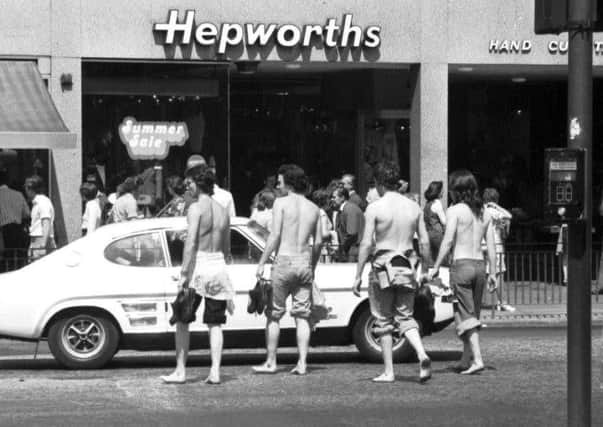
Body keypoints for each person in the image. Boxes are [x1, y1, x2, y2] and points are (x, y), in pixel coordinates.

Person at [352, 161, 432, 383]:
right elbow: (424, 242)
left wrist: (358, 274)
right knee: (405, 317)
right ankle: (421, 353)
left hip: (382, 268)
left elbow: (366, 244)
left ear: (378, 183)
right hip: (406, 266)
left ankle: (389, 371)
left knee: (383, 320)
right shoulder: (414, 207)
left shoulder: (375, 208)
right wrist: (426, 268)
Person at [161, 164, 234, 385]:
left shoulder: (195, 209)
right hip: (218, 265)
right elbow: (226, 246)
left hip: (198, 266)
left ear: (197, 183)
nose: (187, 186)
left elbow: (191, 242)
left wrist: (184, 273)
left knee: (183, 320)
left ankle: (181, 371)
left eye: (189, 183)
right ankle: (215, 371)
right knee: (215, 323)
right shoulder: (222, 209)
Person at [253, 164, 323, 375]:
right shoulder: (314, 208)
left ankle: (271, 362)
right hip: (304, 261)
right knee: (302, 315)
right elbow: (319, 242)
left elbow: (274, 236)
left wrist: (262, 261)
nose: (277, 185)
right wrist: (313, 264)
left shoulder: (281, 203)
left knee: (274, 315)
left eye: (280, 182)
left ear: (289, 183)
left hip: (284, 260)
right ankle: (302, 363)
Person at [428, 170, 498, 375]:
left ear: (456, 191)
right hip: (479, 266)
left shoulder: (454, 211)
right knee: (473, 314)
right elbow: (492, 247)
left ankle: (477, 359)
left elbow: (448, 240)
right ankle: (465, 358)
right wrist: (493, 272)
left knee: (465, 315)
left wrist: (435, 266)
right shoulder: (484, 212)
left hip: (461, 265)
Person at [482, 187, 515, 311]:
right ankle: (502, 302)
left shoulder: (481, 210)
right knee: (499, 273)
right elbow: (509, 216)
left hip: (482, 245)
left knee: (483, 274)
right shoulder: (492, 211)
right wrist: (496, 206)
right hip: (495, 245)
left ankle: (478, 302)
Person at [0, 168, 30, 271]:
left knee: (5, 264)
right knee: (18, 263)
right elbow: (27, 214)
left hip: (3, 234)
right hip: (18, 232)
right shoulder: (18, 194)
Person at [24, 175, 56, 262]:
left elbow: (46, 222)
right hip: (36, 239)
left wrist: (43, 244)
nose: (25, 190)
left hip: (41, 239)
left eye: (26, 187)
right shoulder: (37, 202)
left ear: (30, 188)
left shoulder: (42, 202)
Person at [332, 187, 365, 262]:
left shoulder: (350, 209)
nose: (332, 199)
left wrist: (343, 248)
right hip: (349, 251)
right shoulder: (342, 210)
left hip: (354, 252)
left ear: (342, 197)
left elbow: (352, 233)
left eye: (334, 197)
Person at [423, 181, 446, 267]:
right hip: (437, 234)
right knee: (440, 259)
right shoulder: (437, 203)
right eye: (442, 190)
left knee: (431, 260)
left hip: (428, 233)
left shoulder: (427, 203)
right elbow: (444, 221)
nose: (443, 191)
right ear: (438, 191)